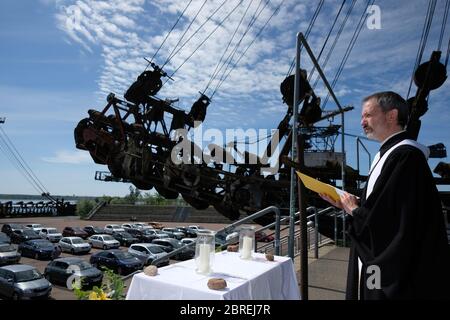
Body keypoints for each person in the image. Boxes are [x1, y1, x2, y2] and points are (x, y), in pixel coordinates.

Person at [320, 91, 450, 299]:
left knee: (377, 292)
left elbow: (396, 221)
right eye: (362, 117)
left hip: (393, 266)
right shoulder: (387, 154)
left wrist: (354, 209)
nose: (362, 122)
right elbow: (388, 204)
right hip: (378, 262)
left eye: (368, 115)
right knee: (371, 289)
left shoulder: (405, 156)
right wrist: (346, 204)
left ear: (391, 115)